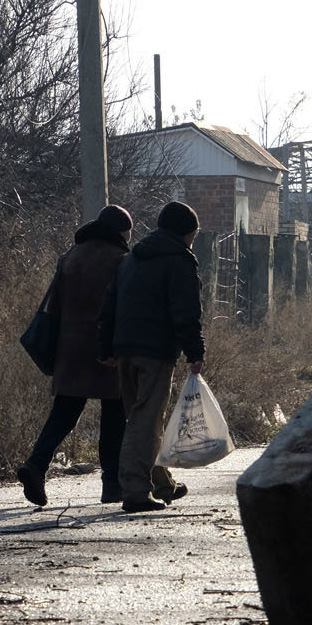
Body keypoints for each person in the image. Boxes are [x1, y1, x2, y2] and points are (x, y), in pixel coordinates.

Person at [16, 205, 134, 506]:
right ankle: (112, 484)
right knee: (114, 416)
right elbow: (122, 308)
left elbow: (54, 305)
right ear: (121, 232)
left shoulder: (70, 256)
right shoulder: (121, 261)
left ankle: (35, 465)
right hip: (105, 348)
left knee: (63, 414)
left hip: (69, 348)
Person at [97, 201, 204, 513]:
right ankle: (134, 491)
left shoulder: (131, 259)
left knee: (140, 419)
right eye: (194, 235)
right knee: (146, 422)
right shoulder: (179, 261)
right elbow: (186, 312)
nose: (193, 241)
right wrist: (195, 351)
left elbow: (109, 303)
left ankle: (162, 484)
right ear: (187, 232)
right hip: (155, 352)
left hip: (124, 350)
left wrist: (106, 346)